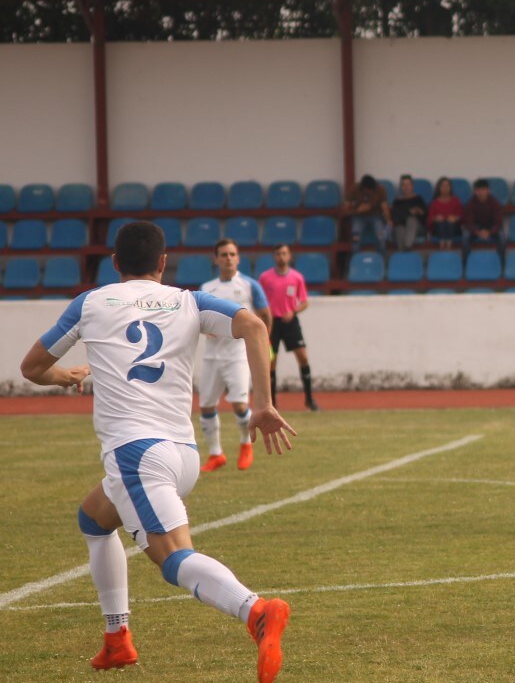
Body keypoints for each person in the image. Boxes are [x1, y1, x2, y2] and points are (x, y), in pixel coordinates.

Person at [18, 221, 296, 682]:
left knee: (173, 560)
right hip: (181, 453)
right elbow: (253, 325)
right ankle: (116, 639)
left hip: (136, 454)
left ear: (114, 265)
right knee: (93, 518)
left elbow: (31, 368)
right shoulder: (188, 300)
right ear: (163, 264)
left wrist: (65, 376)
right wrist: (262, 404)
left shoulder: (91, 302)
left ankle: (256, 610)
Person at [197, 239, 272, 472]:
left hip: (238, 355)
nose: (228, 258)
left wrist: (262, 340)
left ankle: (245, 445)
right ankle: (215, 453)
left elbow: (265, 315)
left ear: (238, 258)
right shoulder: (206, 288)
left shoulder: (250, 286)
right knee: (206, 406)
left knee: (240, 404)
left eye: (232, 254)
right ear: (216, 259)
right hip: (211, 356)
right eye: (223, 254)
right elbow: (197, 318)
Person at [258, 244, 318, 411]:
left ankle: (309, 399)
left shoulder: (296, 278)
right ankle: (272, 403)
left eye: (284, 253)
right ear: (274, 257)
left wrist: (293, 311)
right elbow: (259, 301)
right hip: (272, 324)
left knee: (303, 357)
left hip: (290, 321)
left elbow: (304, 302)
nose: (281, 257)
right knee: (271, 361)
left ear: (289, 256)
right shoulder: (265, 278)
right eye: (278, 254)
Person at [461, 178, 506, 265]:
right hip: (476, 228)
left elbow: (498, 223)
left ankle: (501, 264)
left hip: (491, 228)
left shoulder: (495, 203)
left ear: (488, 190)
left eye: (484, 190)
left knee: (502, 237)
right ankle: (465, 264)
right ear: (475, 191)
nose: (481, 192)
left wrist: (489, 232)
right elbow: (469, 223)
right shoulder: (471, 203)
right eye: (478, 190)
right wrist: (478, 232)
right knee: (465, 236)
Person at [344, 174, 391, 254]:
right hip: (358, 217)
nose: (370, 192)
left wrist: (388, 220)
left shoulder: (380, 189)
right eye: (368, 190)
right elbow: (345, 209)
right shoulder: (354, 189)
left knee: (381, 237)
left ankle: (382, 261)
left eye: (372, 190)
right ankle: (356, 260)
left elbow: (385, 208)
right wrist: (357, 210)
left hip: (376, 217)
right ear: (363, 188)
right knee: (355, 237)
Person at [390, 174, 428, 251]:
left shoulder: (418, 198)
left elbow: (425, 215)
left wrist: (418, 211)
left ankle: (407, 244)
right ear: (401, 187)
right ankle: (405, 250)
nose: (406, 187)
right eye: (403, 185)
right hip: (401, 224)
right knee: (399, 228)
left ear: (412, 186)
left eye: (408, 184)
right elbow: (394, 216)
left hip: (417, 227)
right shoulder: (397, 201)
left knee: (411, 219)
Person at [427, 176, 463, 248]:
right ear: (439, 188)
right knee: (441, 223)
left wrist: (455, 218)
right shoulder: (434, 203)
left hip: (453, 228)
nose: (445, 188)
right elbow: (429, 219)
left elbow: (461, 215)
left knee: (449, 223)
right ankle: (442, 246)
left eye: (447, 185)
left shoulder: (456, 201)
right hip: (438, 228)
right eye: (443, 186)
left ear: (450, 187)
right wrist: (435, 218)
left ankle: (448, 247)